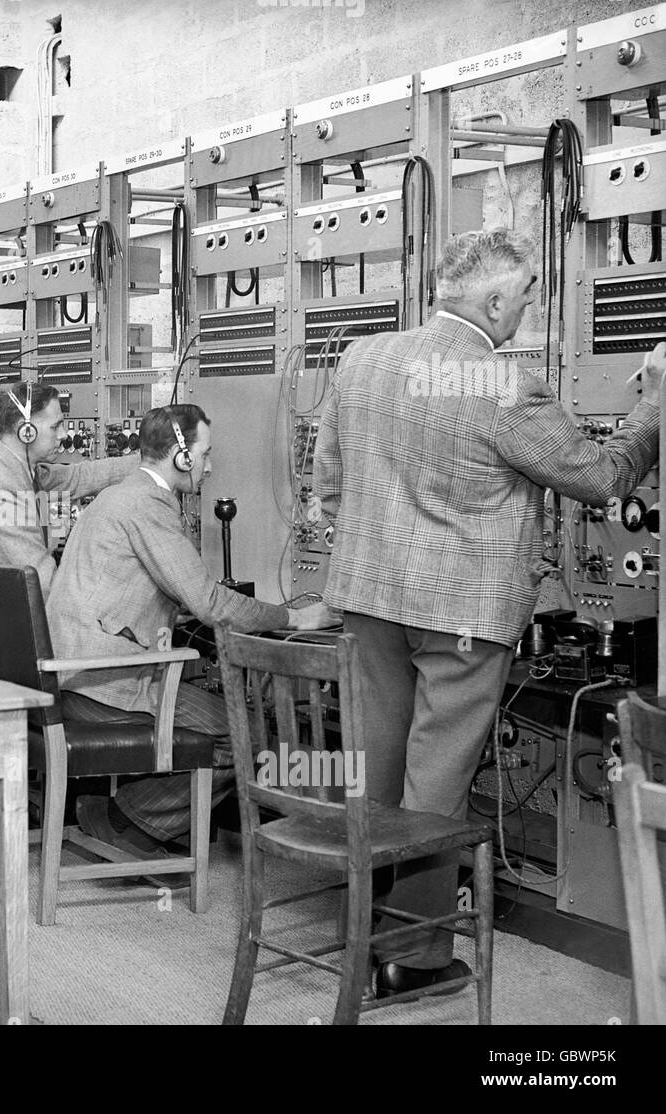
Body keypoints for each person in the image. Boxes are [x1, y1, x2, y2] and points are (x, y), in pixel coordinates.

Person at [314, 228, 666, 998]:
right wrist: (656, 404)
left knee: (374, 770)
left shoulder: (363, 360)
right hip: (462, 620)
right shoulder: (505, 386)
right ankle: (414, 957)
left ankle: (364, 928)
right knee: (434, 786)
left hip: (368, 603)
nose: (531, 308)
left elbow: (330, 487)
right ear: (497, 300)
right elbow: (603, 478)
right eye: (530, 294)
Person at [46, 404, 336, 857]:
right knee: (242, 735)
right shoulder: (147, 504)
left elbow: (140, 589)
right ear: (181, 457)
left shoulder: (121, 495)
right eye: (205, 453)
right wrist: (294, 618)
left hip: (75, 669)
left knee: (216, 707)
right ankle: (126, 822)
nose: (209, 464)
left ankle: (134, 816)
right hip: (102, 683)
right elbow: (210, 602)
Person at [0, 382, 135, 671]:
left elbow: (80, 477)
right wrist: (114, 614)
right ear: (26, 430)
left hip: (2, 632)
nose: (64, 434)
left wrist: (151, 461)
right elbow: (44, 584)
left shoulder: (13, 469)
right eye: (56, 427)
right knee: (129, 657)